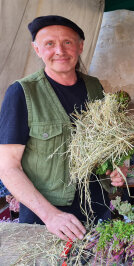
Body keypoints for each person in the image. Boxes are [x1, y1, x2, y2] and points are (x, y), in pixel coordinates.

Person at [0, 15, 126, 241]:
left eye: (67, 42)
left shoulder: (94, 87)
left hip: (96, 205)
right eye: (49, 43)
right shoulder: (22, 93)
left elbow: (106, 142)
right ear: (37, 49)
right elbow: (7, 168)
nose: (60, 50)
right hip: (46, 216)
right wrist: (51, 216)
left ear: (80, 47)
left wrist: (117, 167)